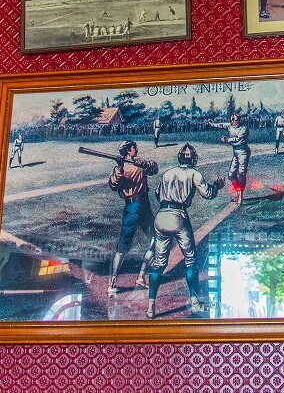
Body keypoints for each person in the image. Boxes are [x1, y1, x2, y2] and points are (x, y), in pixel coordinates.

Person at [145, 144, 224, 319]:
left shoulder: (167, 173)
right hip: (178, 215)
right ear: (192, 158)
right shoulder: (194, 174)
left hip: (161, 215)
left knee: (159, 264)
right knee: (190, 260)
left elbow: (158, 195)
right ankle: (194, 302)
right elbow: (208, 193)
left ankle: (151, 307)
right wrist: (217, 187)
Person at [107, 140, 159, 297]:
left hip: (144, 205)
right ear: (128, 150)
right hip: (133, 207)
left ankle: (139, 277)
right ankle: (114, 281)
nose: (136, 148)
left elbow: (154, 168)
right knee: (123, 246)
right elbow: (113, 185)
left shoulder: (138, 163)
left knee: (155, 239)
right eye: (134, 147)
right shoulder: (122, 168)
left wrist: (145, 164)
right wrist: (120, 167)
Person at [209, 114, 250, 203]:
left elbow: (238, 139)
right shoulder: (230, 126)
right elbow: (220, 125)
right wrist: (211, 124)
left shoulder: (243, 128)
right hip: (236, 152)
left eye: (236, 120)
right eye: (232, 120)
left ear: (239, 120)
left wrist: (227, 140)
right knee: (231, 175)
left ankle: (241, 196)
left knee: (241, 173)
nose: (234, 122)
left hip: (243, 152)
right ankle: (238, 192)